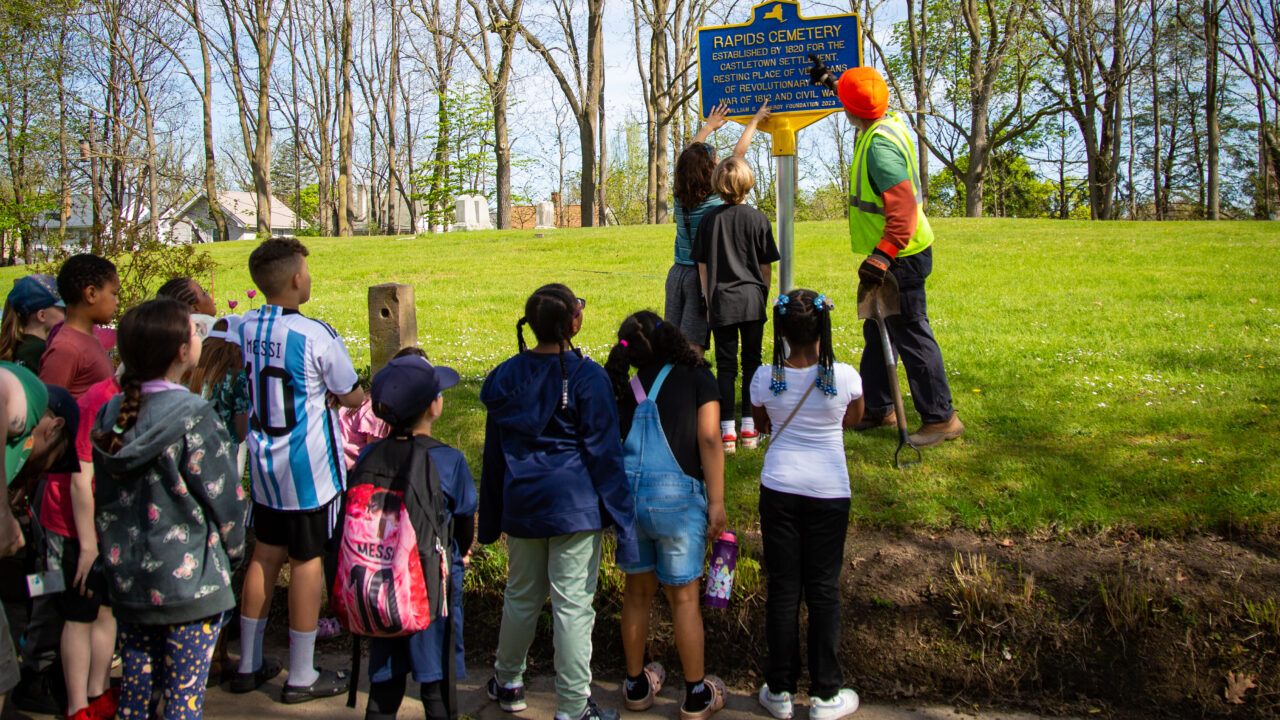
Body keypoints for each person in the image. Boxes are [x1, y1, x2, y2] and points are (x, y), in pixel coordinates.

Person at [479, 283, 637, 720]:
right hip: (574, 504)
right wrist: (624, 519)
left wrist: (489, 519)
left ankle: (508, 681)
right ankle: (571, 707)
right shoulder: (588, 377)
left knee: (521, 595)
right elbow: (605, 455)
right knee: (572, 606)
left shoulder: (506, 376)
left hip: (524, 503)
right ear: (574, 322)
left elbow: (493, 456)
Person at [91, 298, 246, 720]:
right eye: (194, 332)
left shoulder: (112, 414)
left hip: (130, 582)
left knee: (136, 698)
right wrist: (233, 553)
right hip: (189, 585)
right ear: (182, 351)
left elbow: (101, 499)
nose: (201, 335)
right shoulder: (193, 414)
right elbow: (225, 497)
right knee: (184, 701)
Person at [233, 237, 364, 703]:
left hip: (264, 466)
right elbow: (349, 392)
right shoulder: (315, 335)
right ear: (294, 279)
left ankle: (247, 662)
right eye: (305, 271)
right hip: (308, 471)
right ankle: (302, 673)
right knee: (306, 562)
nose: (308, 277)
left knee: (263, 556)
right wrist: (344, 396)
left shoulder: (244, 328)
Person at [808, 59, 963, 447]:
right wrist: (833, 81)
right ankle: (879, 407)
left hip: (901, 253)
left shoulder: (880, 148)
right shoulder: (885, 120)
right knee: (878, 329)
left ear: (850, 111)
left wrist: (883, 255)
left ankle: (941, 418)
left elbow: (904, 213)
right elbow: (863, 97)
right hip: (897, 250)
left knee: (910, 334)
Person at [603, 311, 727, 720]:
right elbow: (709, 437)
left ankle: (636, 685)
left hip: (632, 505)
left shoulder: (626, 386)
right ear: (670, 335)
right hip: (678, 503)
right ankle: (695, 694)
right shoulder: (697, 376)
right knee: (684, 599)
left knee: (636, 595)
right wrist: (717, 501)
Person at [748, 289, 864, 720]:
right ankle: (825, 695)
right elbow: (852, 419)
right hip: (830, 490)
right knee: (822, 590)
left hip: (778, 486)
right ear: (823, 327)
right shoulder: (846, 377)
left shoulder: (765, 377)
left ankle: (778, 690)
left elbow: (761, 423)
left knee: (782, 589)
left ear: (780, 330)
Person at [361, 355, 476, 720]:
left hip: (381, 586)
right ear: (433, 406)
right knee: (437, 685)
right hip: (431, 588)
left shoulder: (367, 455)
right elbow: (464, 521)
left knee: (383, 685)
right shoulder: (450, 461)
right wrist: (462, 552)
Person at [690, 106, 780, 455]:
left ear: (717, 185)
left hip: (721, 303)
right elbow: (766, 265)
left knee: (726, 366)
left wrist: (709, 300)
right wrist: (763, 292)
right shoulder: (758, 220)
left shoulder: (708, 222)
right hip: (752, 301)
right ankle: (750, 428)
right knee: (753, 364)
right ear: (748, 183)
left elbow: (702, 267)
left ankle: (726, 432)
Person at [0, 363, 82, 718]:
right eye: (52, 459)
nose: (44, 469)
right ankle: (33, 672)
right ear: (54, 427)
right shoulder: (32, 397)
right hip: (55, 543)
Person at [42, 371, 121, 720]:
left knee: (105, 609)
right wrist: (88, 545)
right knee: (79, 612)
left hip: (106, 522)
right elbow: (79, 479)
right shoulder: (100, 399)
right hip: (73, 523)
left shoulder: (135, 395)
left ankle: (98, 692)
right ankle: (77, 706)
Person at [39, 254, 119, 398]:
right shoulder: (67, 348)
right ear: (91, 294)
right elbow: (47, 408)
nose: (116, 302)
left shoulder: (88, 339)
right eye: (113, 293)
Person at [0, 274, 65, 370]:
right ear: (42, 315)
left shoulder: (14, 347)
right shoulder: (43, 351)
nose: (67, 315)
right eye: (63, 310)